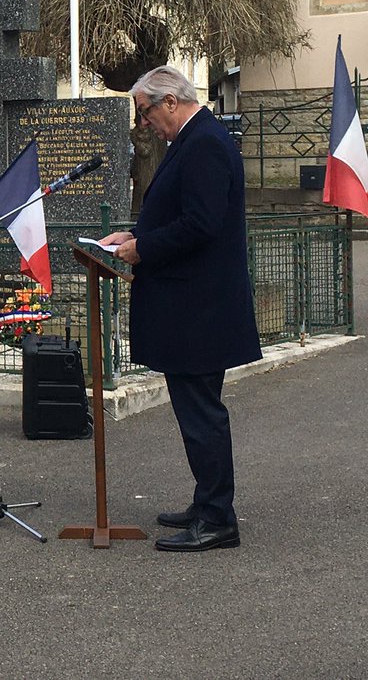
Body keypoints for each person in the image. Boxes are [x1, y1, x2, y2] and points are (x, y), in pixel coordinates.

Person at [99, 65, 260, 554]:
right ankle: (207, 503)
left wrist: (144, 250)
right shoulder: (193, 140)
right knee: (197, 413)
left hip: (200, 308)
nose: (144, 123)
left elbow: (201, 224)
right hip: (194, 305)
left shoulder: (205, 142)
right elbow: (181, 215)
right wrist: (136, 235)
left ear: (171, 101)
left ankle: (217, 520)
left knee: (202, 416)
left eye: (145, 112)